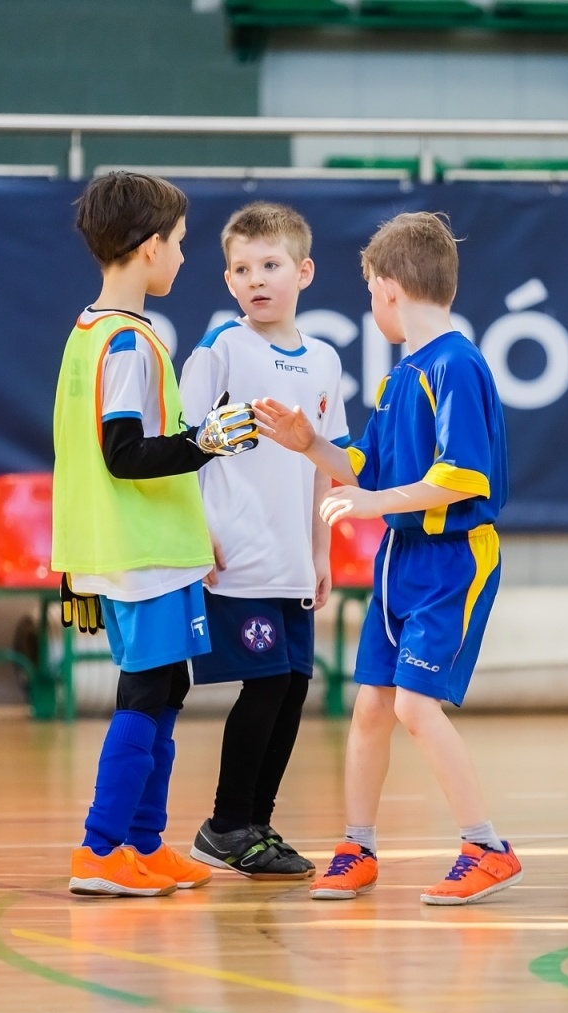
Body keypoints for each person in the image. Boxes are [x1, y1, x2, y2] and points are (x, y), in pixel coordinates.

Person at [253, 212, 520, 906]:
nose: (371, 303)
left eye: (370, 290)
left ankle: (486, 847)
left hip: (452, 560)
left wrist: (373, 505)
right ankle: (357, 846)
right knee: (371, 705)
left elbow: (461, 477)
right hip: (401, 561)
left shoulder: (457, 365)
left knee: (413, 705)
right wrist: (311, 445)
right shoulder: (403, 376)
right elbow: (364, 467)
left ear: (390, 288)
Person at [52, 172, 259, 897]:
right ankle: (101, 848)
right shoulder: (129, 344)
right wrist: (205, 441)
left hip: (141, 547)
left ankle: (143, 842)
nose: (181, 255)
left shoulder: (91, 332)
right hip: (138, 551)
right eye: (177, 242)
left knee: (165, 687)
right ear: (147, 248)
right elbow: (124, 454)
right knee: (145, 693)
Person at [180, 203, 347, 879]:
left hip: (292, 560)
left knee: (294, 686)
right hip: (237, 556)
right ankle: (225, 825)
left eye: (271, 265)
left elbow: (324, 462)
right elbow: (181, 447)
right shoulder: (221, 349)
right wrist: (195, 534)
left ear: (303, 272)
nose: (257, 279)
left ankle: (257, 823)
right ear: (228, 280)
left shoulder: (326, 360)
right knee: (266, 683)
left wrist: (320, 550)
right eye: (242, 269)